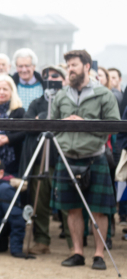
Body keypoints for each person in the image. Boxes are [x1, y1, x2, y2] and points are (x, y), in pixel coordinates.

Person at [50, 50, 120, 271]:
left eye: (74, 65)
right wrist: (63, 135)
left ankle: (99, 255)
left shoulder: (103, 94)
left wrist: (84, 123)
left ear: (87, 66)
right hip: (67, 157)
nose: (69, 69)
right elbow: (52, 125)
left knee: (98, 210)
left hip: (94, 157)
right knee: (72, 209)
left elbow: (113, 125)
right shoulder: (61, 95)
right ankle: (77, 252)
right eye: (68, 65)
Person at [20, 65, 66, 255]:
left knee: (66, 198)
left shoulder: (67, 101)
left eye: (56, 76)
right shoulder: (37, 103)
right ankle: (41, 239)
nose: (51, 80)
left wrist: (45, 119)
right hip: (41, 157)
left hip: (63, 156)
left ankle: (74, 243)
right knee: (40, 198)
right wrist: (44, 118)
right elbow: (28, 124)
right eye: (47, 76)